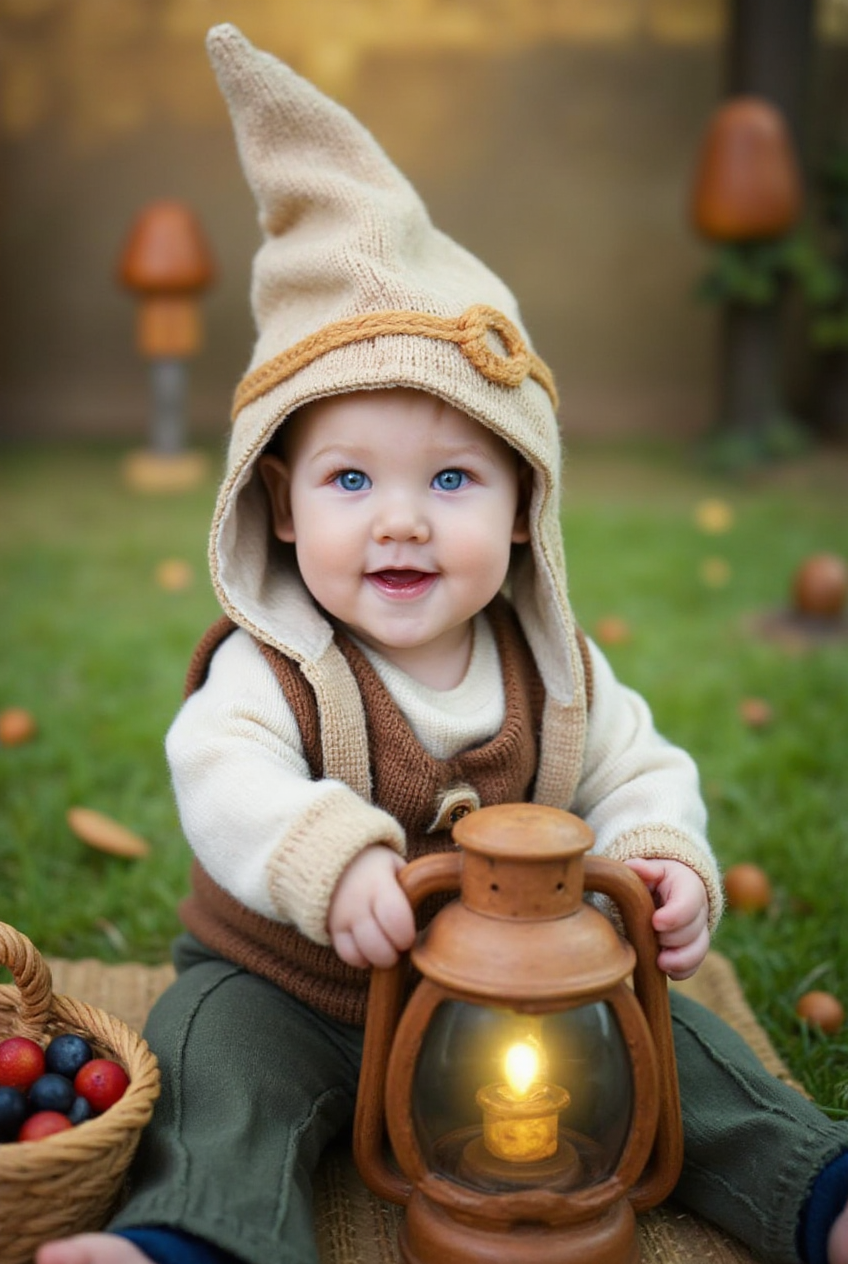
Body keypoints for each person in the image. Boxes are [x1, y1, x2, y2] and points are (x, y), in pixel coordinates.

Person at [38, 24, 848, 1264]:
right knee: (217, 1076)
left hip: (518, 1003)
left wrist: (658, 855)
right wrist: (325, 857)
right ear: (278, 505)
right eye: (351, 477)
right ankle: (192, 1241)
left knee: (676, 1049)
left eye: (455, 476)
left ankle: (814, 1192)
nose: (402, 518)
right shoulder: (276, 665)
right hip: (291, 989)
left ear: (526, 507)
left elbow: (637, 765)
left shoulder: (553, 670)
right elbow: (222, 773)